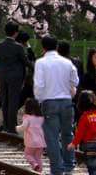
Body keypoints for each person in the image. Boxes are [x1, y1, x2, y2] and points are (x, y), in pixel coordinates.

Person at [34, 35, 79, 175]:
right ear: (57, 46)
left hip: (49, 102)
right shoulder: (67, 62)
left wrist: (39, 99)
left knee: (52, 137)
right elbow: (75, 81)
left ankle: (57, 169)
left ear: (43, 47)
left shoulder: (41, 62)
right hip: (66, 102)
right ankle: (69, 164)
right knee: (68, 134)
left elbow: (39, 85)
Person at [0, 22, 28, 133]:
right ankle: (11, 126)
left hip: (2, 75)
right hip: (15, 77)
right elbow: (25, 61)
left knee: (5, 100)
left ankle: (5, 124)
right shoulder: (18, 47)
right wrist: (36, 66)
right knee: (13, 101)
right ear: (16, 33)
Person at [68, 91, 96, 175]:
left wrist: (73, 144)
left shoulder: (85, 117)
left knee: (93, 170)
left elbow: (80, 133)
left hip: (89, 146)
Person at [16, 98, 46, 173]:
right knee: (38, 157)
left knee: (27, 154)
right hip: (41, 142)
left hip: (31, 142)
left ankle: (35, 165)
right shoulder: (41, 118)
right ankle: (39, 171)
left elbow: (24, 127)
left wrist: (17, 128)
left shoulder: (27, 117)